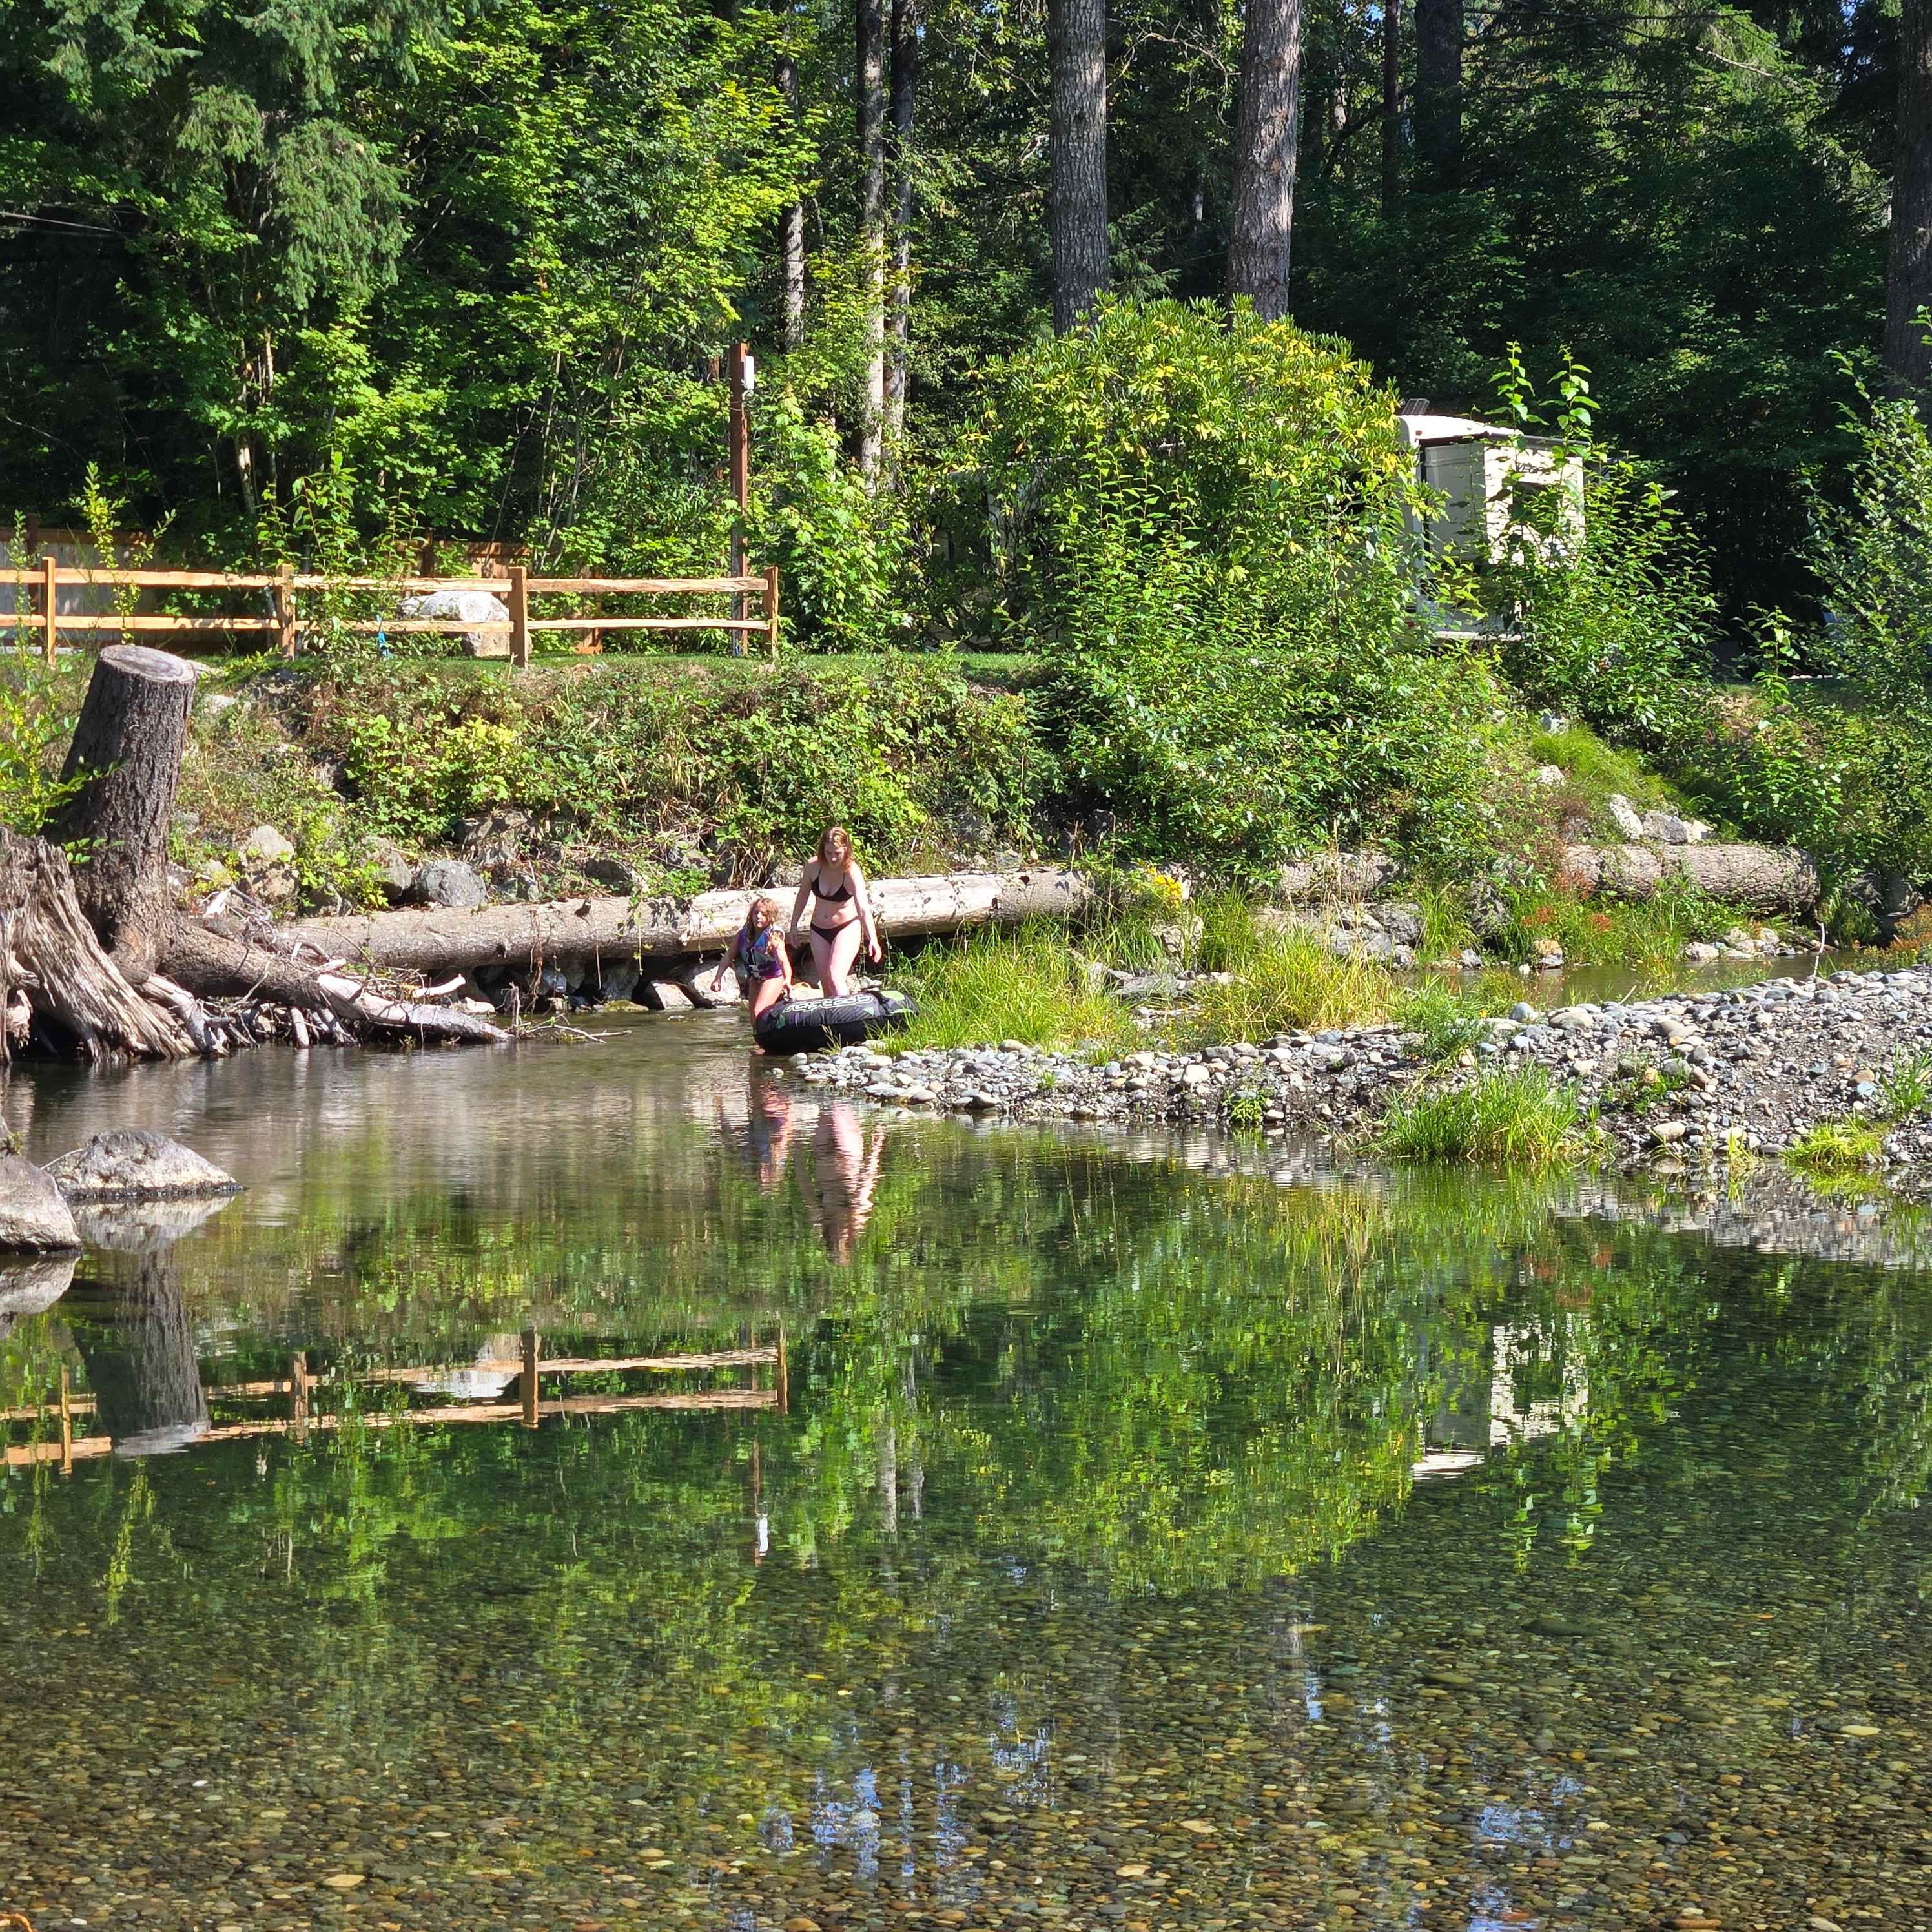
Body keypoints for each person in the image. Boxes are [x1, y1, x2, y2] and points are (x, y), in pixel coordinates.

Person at [788, 824, 882, 998]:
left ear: (846, 850)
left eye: (837, 854)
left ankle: (848, 1017)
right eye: (828, 853)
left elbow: (862, 908)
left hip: (846, 927)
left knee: (835, 977)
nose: (832, 858)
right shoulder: (812, 866)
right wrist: (793, 925)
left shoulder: (851, 871)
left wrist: (873, 939)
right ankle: (831, 1024)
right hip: (819, 929)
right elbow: (802, 896)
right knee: (826, 984)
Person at [710, 895, 794, 1031]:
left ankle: (768, 1042)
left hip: (774, 977)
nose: (758, 916)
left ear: (770, 917)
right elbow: (727, 956)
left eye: (764, 914)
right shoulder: (743, 935)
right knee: (753, 1019)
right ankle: (761, 1046)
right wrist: (717, 978)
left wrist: (788, 980)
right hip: (755, 979)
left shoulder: (774, 935)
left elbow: (784, 961)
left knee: (759, 1012)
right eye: (756, 913)